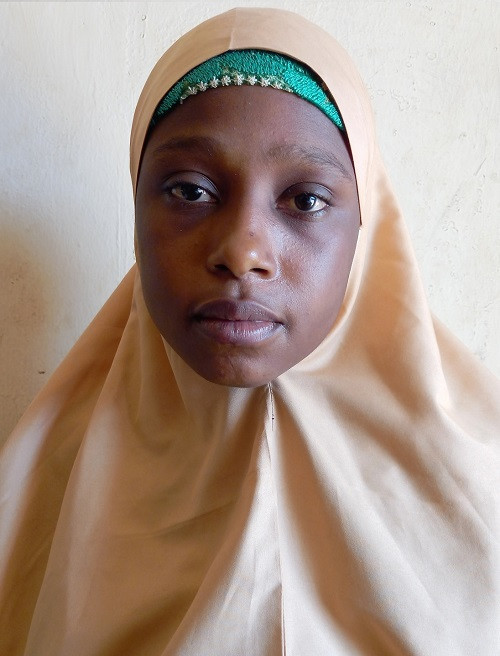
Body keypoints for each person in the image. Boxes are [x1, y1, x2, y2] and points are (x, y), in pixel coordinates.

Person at [1, 7, 499, 655]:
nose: (242, 252)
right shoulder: (37, 500)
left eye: (305, 200)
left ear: (365, 226)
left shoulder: (482, 500)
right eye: (190, 191)